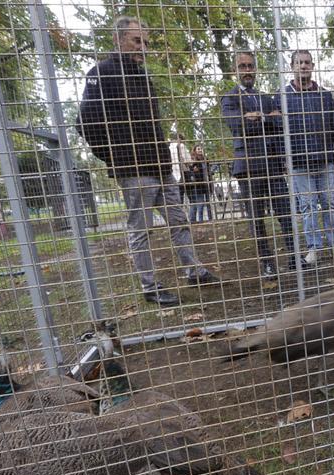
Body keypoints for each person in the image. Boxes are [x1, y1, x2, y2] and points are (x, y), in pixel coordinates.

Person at [77, 16, 219, 306]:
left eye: (146, 42)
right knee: (141, 229)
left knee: (179, 220)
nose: (143, 47)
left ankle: (194, 270)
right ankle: (150, 286)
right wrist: (111, 156)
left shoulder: (142, 76)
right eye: (136, 40)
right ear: (117, 39)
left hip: (161, 165)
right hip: (133, 169)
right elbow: (84, 122)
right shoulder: (100, 73)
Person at [222, 51, 301, 278]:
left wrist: (259, 116)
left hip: (274, 166)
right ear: (235, 70)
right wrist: (264, 117)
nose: (247, 70)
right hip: (249, 168)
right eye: (242, 66)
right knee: (257, 219)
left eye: (250, 66)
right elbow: (238, 125)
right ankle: (267, 263)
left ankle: (295, 257)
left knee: (286, 213)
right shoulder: (229, 98)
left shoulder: (266, 98)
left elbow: (279, 123)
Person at [278, 50, 334, 266]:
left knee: (329, 203)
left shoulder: (325, 95)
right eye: (299, 63)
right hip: (299, 163)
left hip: (325, 160)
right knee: (307, 206)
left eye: (307, 63)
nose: (303, 66)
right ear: (292, 66)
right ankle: (314, 248)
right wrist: (284, 159)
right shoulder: (282, 96)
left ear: (313, 65)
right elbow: (278, 131)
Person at [185, 145, 213, 223]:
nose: (200, 150)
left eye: (201, 149)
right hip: (199, 185)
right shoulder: (194, 161)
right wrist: (194, 171)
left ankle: (210, 219)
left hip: (207, 183)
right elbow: (192, 171)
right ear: (195, 151)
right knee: (200, 203)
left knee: (208, 203)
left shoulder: (206, 160)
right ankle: (201, 220)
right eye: (198, 149)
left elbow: (208, 170)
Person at [169, 133, 189, 201]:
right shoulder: (181, 146)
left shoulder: (169, 147)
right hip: (182, 173)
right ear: (180, 139)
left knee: (176, 195)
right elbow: (187, 160)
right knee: (185, 194)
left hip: (172, 174)